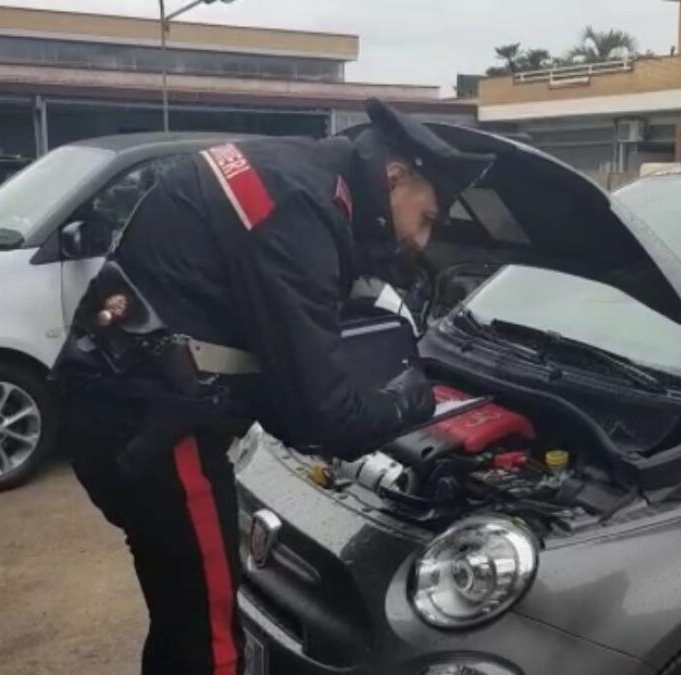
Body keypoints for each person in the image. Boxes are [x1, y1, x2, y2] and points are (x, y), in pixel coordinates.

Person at [51, 99, 493, 675]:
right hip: (160, 430)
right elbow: (326, 417)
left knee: (179, 612)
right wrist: (410, 401)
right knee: (211, 647)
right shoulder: (301, 207)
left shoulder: (291, 171)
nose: (422, 240)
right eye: (427, 218)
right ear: (395, 177)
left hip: (110, 406)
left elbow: (277, 368)